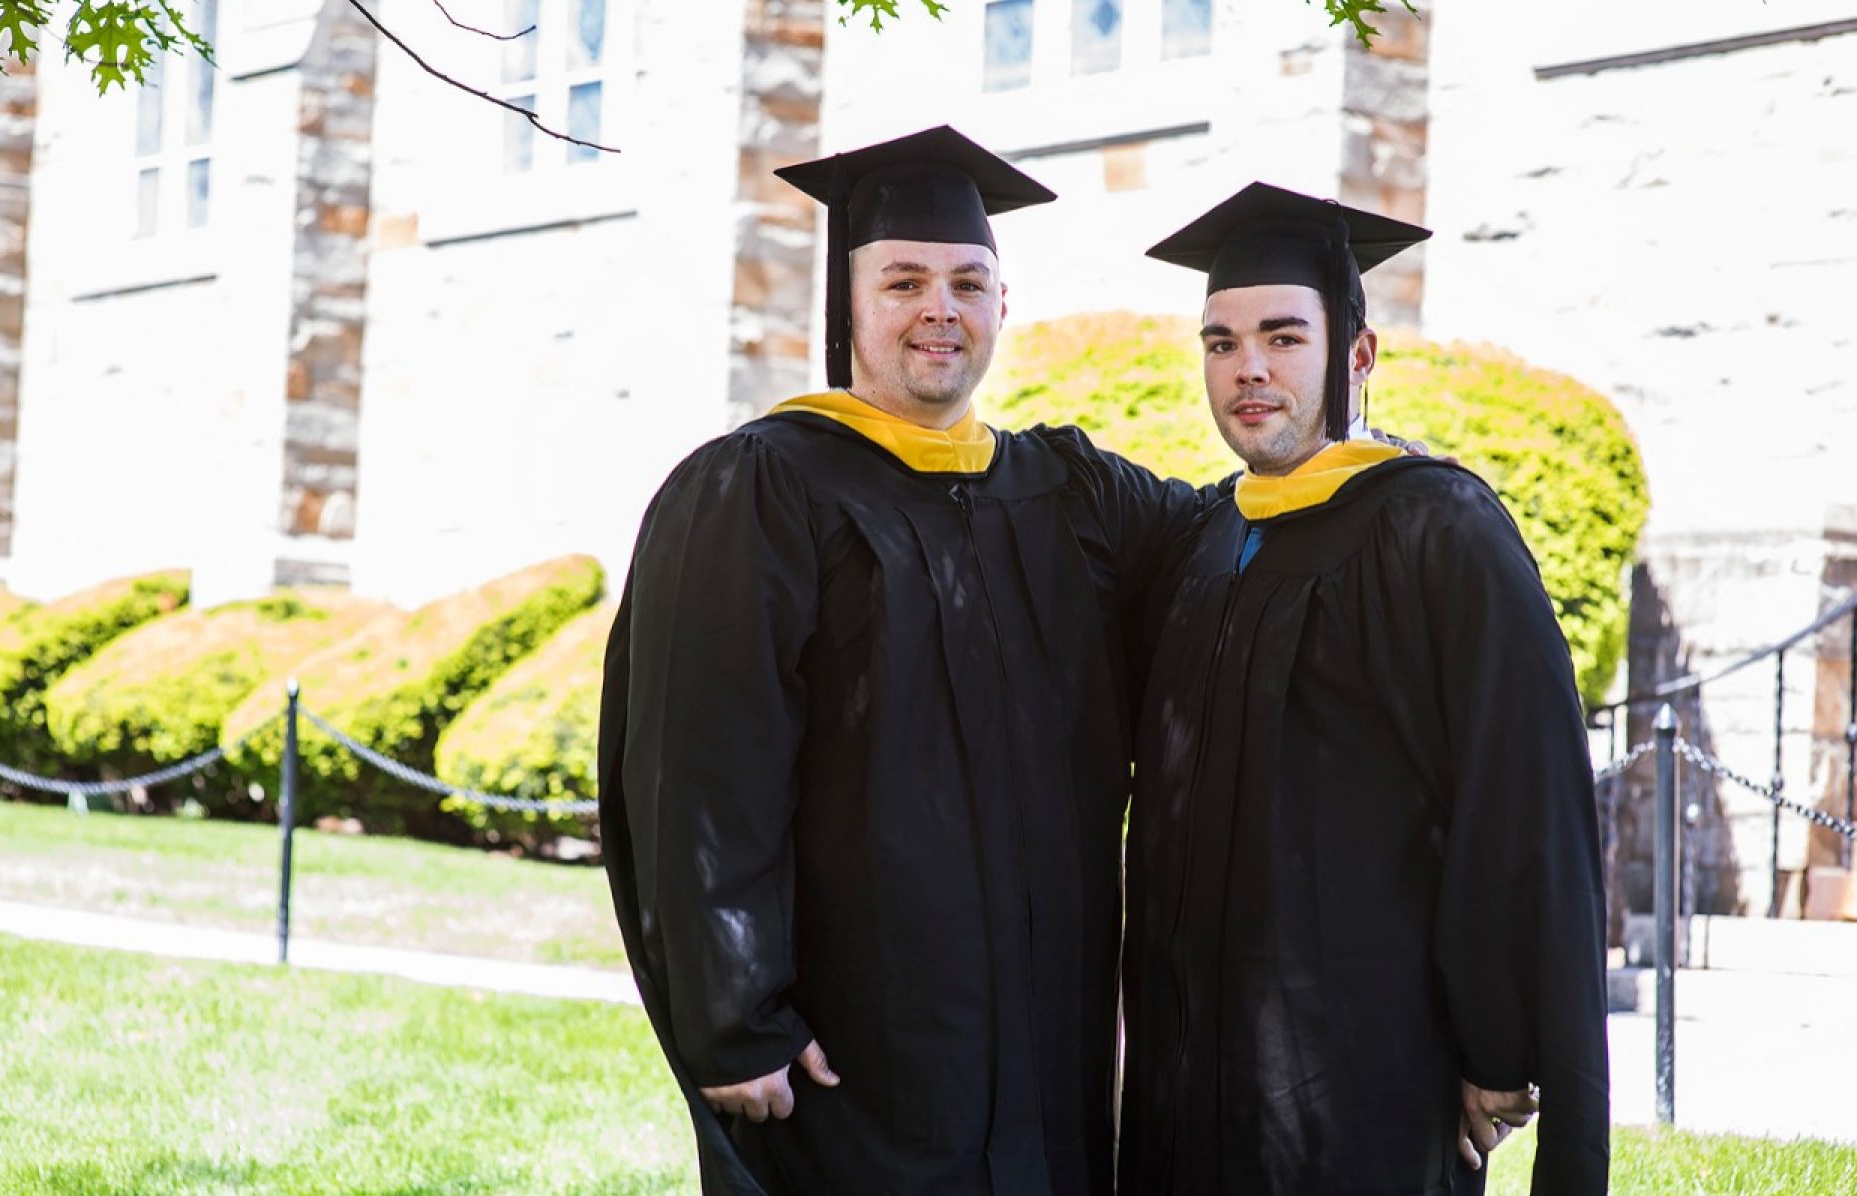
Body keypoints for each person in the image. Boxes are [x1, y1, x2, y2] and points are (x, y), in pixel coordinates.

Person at [597, 126, 1201, 1195]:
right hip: (860, 1051)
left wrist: (1378, 482)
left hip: (1047, 1042)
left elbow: (1231, 547)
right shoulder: (762, 490)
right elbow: (700, 770)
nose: (941, 307)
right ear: (847, 303)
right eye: (906, 280)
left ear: (1003, 306)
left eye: (970, 282)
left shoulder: (1064, 493)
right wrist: (737, 1016)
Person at [1117, 183, 1611, 1195]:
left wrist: (1499, 1040)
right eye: (1220, 341)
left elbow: (1522, 812)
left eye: (1283, 335)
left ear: (1359, 354)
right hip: (1188, 1082)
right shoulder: (1204, 540)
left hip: (1367, 1080)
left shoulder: (1441, 530)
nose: (1248, 366)